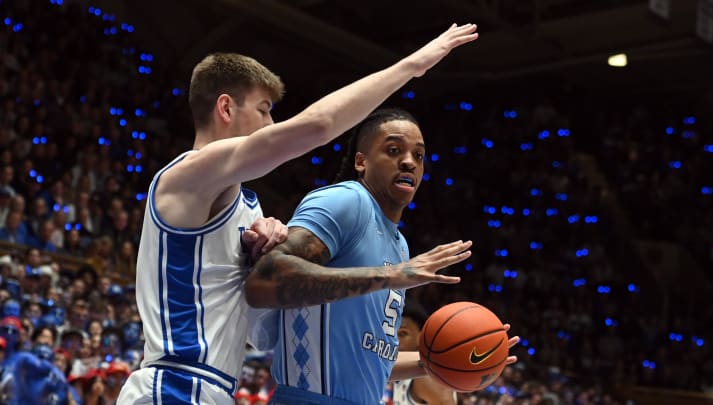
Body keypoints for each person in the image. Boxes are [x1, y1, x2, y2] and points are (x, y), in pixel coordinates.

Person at [118, 23, 480, 404]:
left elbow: (265, 332)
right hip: (174, 383)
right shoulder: (186, 175)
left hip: (214, 389)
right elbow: (317, 126)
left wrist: (258, 256)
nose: (271, 124)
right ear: (225, 107)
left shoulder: (249, 209)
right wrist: (412, 66)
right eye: (264, 110)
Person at [247, 108, 518, 404]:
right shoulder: (346, 201)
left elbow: (369, 362)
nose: (408, 162)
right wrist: (393, 276)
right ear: (361, 161)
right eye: (393, 150)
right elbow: (265, 281)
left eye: (419, 156)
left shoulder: (399, 245)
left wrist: (444, 362)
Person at [392, 301, 455, 405]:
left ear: (421, 337)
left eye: (403, 334)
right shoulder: (400, 370)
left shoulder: (426, 377)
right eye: (392, 334)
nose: (395, 341)